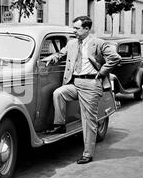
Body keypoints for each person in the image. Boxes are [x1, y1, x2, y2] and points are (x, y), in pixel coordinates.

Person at [45, 16, 121, 164]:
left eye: (77, 28)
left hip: (91, 83)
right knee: (59, 93)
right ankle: (60, 125)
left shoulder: (98, 43)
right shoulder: (72, 43)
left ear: (86, 29)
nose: (74, 31)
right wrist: (51, 58)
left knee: (88, 120)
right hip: (75, 82)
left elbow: (115, 58)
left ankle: (88, 154)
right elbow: (61, 54)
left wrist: (102, 73)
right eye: (74, 28)